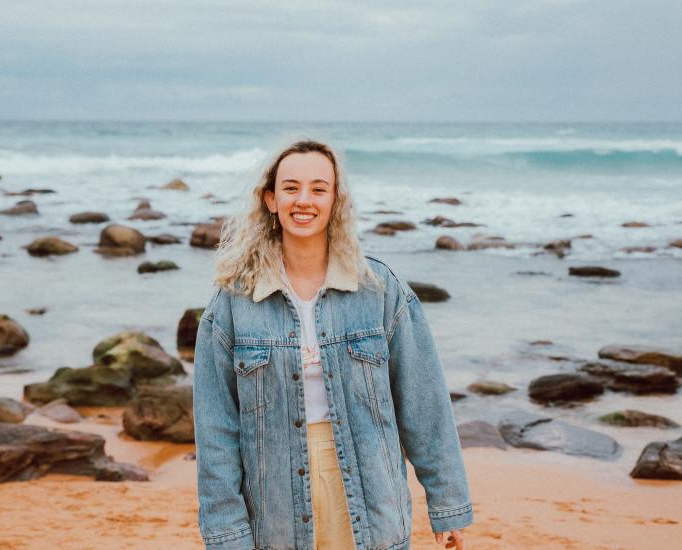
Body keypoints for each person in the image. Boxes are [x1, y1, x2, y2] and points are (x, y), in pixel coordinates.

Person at [193, 139, 473, 550]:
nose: (304, 200)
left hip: (372, 500)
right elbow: (216, 431)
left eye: (318, 189)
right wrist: (227, 534)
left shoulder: (378, 288)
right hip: (274, 506)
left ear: (336, 200)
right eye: (291, 188)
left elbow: (423, 402)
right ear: (270, 199)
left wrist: (447, 503)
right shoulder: (233, 302)